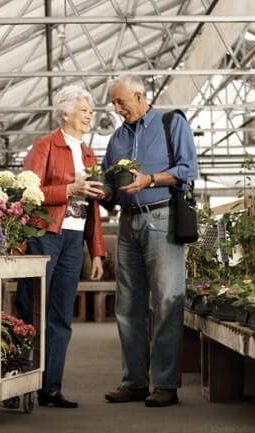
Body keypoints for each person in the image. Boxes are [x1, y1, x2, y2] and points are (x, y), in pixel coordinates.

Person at [101, 75, 198, 407]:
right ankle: (135, 382)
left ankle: (166, 385)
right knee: (128, 306)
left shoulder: (172, 124)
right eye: (113, 103)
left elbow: (188, 169)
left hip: (163, 217)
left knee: (168, 302)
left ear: (140, 96)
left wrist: (150, 179)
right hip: (127, 223)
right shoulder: (116, 139)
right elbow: (109, 184)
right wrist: (102, 190)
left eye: (120, 102)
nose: (116, 109)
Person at [16, 84, 106, 408]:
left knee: (61, 316)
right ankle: (19, 381)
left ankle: (50, 387)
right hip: (45, 234)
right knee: (31, 310)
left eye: (91, 112)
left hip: (73, 238)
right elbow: (29, 194)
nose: (89, 116)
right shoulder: (45, 146)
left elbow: (93, 207)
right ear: (65, 112)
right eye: (84, 110)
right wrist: (69, 189)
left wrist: (96, 251)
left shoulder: (89, 153)